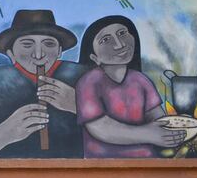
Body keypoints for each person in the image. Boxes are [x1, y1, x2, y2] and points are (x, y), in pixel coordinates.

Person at [76, 15, 185, 158]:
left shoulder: (140, 80)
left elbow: (157, 117)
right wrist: (149, 134)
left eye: (122, 33)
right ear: (94, 58)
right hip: (102, 165)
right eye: (105, 40)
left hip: (148, 162)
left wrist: (172, 132)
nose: (119, 44)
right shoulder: (89, 82)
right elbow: (100, 127)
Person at [0, 9, 88, 158]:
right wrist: (1, 135)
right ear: (11, 54)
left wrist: (79, 106)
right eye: (27, 44)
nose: (38, 54)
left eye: (49, 44)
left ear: (59, 51)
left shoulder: (83, 77)